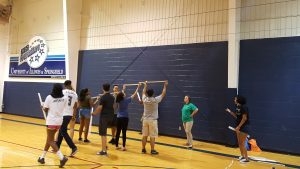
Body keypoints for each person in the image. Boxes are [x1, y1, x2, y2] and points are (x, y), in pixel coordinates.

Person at [37, 83, 68, 168]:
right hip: (59, 121)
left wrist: (42, 106)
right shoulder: (64, 98)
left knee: (51, 141)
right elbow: (63, 107)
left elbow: (46, 109)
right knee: (49, 139)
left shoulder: (49, 97)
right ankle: (42, 157)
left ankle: (62, 158)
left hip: (51, 121)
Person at [141, 80, 168, 155]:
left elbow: (143, 92)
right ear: (153, 94)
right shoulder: (155, 100)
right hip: (152, 121)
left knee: (144, 135)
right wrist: (165, 85)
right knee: (152, 136)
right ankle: (152, 150)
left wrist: (145, 85)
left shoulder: (144, 99)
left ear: (147, 93)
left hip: (145, 120)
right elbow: (163, 94)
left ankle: (143, 149)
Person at [115, 83, 141, 150]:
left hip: (118, 118)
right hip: (125, 118)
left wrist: (123, 88)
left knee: (118, 132)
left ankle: (116, 146)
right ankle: (123, 147)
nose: (124, 94)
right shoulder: (126, 100)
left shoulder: (119, 100)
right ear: (123, 96)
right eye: (124, 94)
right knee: (124, 132)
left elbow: (121, 94)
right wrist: (138, 87)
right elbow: (134, 94)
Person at [56, 80, 78, 157]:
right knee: (61, 129)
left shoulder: (63, 92)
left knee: (63, 131)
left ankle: (73, 147)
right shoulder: (75, 93)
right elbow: (75, 106)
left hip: (63, 114)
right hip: (69, 114)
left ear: (65, 85)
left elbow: (58, 102)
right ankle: (57, 146)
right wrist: (74, 115)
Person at [92, 83, 115, 155]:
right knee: (104, 133)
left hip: (104, 117)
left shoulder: (103, 97)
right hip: (111, 116)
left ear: (103, 88)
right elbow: (113, 106)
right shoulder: (112, 97)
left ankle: (104, 150)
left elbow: (100, 107)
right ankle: (105, 145)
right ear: (109, 88)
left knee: (103, 134)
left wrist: (94, 113)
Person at [226, 95, 250, 163]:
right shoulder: (237, 107)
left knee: (242, 143)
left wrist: (239, 126)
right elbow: (237, 116)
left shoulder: (244, 107)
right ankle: (242, 156)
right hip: (238, 127)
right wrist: (230, 111)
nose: (234, 100)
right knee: (239, 143)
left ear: (238, 100)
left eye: (235, 99)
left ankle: (247, 158)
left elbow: (244, 118)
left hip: (244, 127)